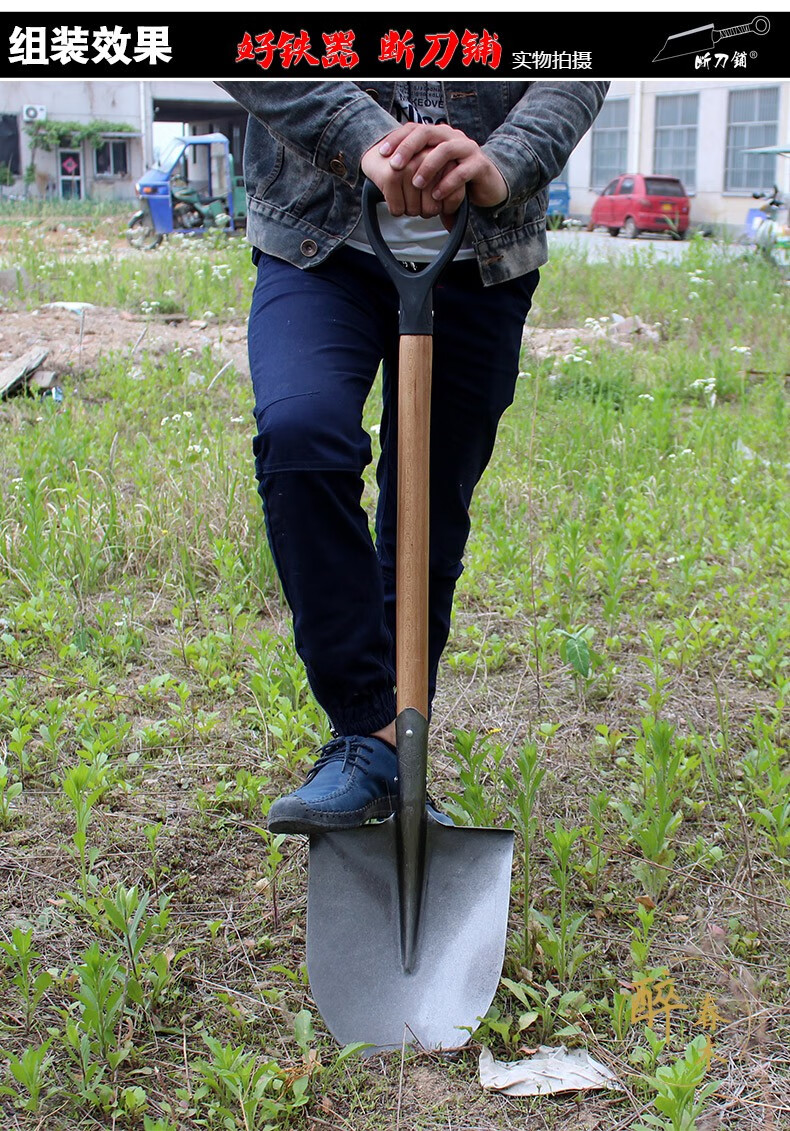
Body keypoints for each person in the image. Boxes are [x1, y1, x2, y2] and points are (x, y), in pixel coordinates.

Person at [217, 80, 609, 833]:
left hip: (481, 248)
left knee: (428, 507)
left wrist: (506, 160)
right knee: (302, 437)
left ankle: (395, 745)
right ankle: (373, 732)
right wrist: (374, 139)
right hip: (319, 237)